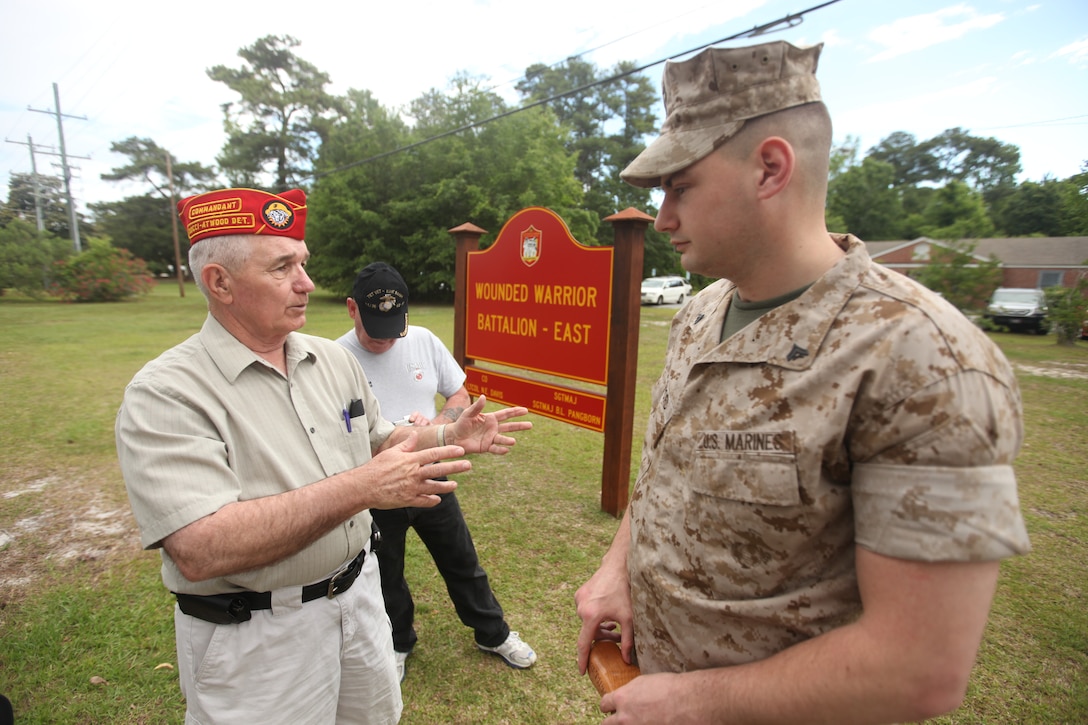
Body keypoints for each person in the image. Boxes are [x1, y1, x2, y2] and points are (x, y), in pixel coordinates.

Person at [574, 40, 1031, 724]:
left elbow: (920, 668)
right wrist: (619, 566)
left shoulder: (920, 358)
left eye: (681, 185)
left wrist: (694, 701)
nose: (663, 216)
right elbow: (663, 472)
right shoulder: (702, 314)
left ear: (769, 168)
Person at [115, 188, 531, 724]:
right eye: (282, 267)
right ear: (220, 283)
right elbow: (200, 547)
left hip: (359, 603)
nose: (307, 283)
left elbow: (379, 440)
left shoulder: (330, 359)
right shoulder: (167, 392)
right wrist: (364, 487)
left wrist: (446, 437)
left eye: (303, 263)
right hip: (258, 640)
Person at [336, 262, 537, 682]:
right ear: (352, 309)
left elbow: (458, 393)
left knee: (462, 560)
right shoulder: (334, 361)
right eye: (376, 328)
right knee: (387, 571)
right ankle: (398, 642)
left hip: (433, 473)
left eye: (395, 327)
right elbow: (337, 435)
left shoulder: (423, 340)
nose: (386, 339)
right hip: (379, 486)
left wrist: (443, 421)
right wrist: (402, 435)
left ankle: (491, 632)